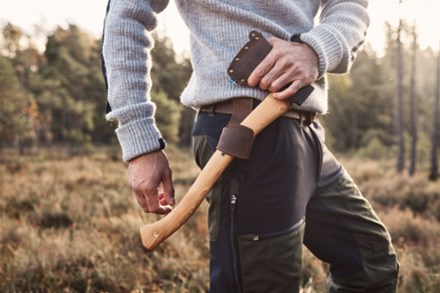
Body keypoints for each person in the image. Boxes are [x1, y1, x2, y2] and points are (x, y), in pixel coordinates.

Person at [102, 0, 399, 292]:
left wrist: (316, 49)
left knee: (371, 266)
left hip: (306, 130)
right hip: (243, 134)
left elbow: (350, 4)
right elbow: (125, 15)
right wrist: (139, 140)